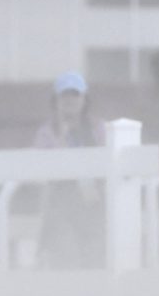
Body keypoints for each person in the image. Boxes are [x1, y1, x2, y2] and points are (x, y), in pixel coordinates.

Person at [31, 70, 107, 269]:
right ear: (55, 100)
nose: (70, 100)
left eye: (75, 94)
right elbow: (40, 171)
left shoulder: (99, 129)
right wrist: (63, 138)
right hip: (60, 206)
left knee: (95, 258)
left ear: (84, 99)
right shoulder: (47, 133)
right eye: (65, 94)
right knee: (66, 258)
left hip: (95, 205)